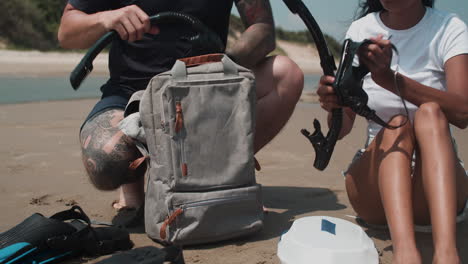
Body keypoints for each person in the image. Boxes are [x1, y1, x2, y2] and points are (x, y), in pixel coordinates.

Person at [57, 1, 304, 215]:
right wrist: (106, 17)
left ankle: (222, 177)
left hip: (205, 88)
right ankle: (135, 187)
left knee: (286, 74)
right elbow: (67, 32)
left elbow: (262, 27)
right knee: (106, 159)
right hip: (129, 95)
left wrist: (222, 66)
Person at [316, 0, 468, 263]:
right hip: (375, 191)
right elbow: (342, 128)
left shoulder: (448, 28)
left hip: (437, 189)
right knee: (397, 125)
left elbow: (463, 112)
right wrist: (335, 105)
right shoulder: (361, 30)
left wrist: (391, 81)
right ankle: (405, 253)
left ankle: (447, 253)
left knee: (430, 114)